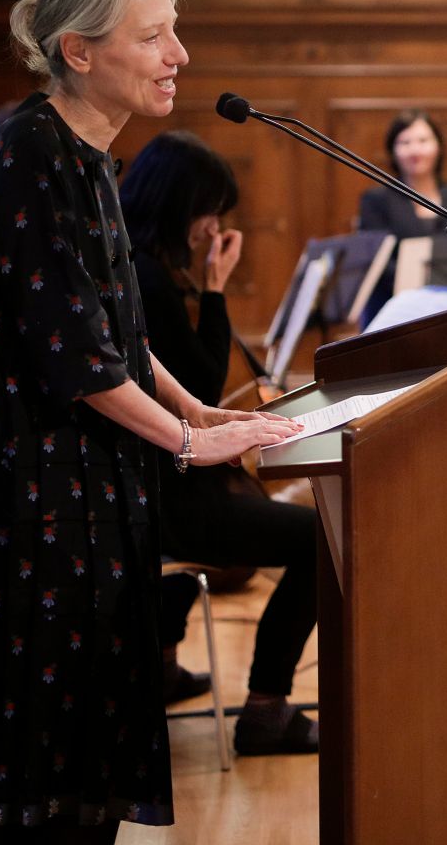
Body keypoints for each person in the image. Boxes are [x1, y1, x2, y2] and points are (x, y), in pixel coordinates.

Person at [0, 0, 303, 845]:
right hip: (35, 516)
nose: (178, 52)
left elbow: (122, 337)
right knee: (38, 767)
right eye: (154, 34)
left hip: (89, 505)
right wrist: (189, 443)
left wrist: (204, 412)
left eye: (174, 29)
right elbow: (79, 362)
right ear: (79, 50)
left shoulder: (90, 154)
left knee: (84, 752)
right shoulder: (30, 154)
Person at [118, 130, 322, 755]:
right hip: (167, 492)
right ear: (179, 206)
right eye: (209, 213)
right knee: (324, 542)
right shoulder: (149, 280)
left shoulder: (137, 264)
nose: (213, 228)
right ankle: (265, 709)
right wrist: (214, 288)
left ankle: (160, 668)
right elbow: (204, 382)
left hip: (151, 484)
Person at [355, 109, 447, 314]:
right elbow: (376, 263)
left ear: (439, 146)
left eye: (423, 140)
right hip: (399, 311)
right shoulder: (377, 201)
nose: (415, 150)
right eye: (405, 143)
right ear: (392, 150)